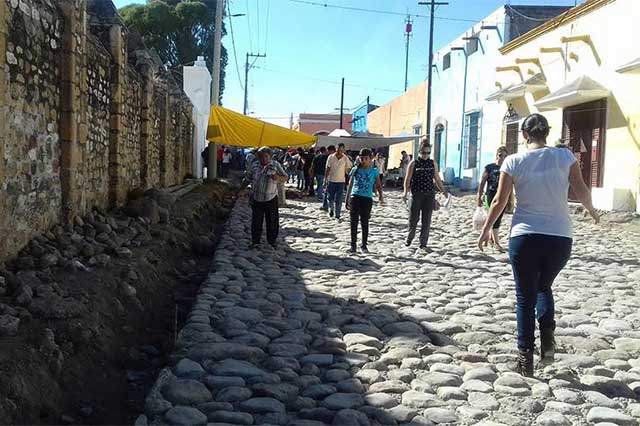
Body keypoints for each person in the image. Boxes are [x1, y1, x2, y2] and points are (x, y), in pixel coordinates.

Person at [478, 113, 599, 377]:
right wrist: (592, 211)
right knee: (543, 286)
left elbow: (500, 200)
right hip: (560, 238)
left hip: (525, 236)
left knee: (525, 296)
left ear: (524, 135)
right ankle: (548, 344)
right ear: (547, 132)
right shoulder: (565, 157)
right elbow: (580, 188)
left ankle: (525, 360)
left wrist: (486, 229)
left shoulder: (514, 161)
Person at [402, 140, 448, 252]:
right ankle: (409, 238)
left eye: (428, 153)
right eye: (423, 152)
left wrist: (443, 190)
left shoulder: (432, 163)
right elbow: (407, 179)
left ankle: (423, 243)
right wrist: (405, 192)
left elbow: (436, 178)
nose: (425, 155)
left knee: (426, 220)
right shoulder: (414, 163)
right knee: (413, 219)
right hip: (416, 194)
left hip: (429, 195)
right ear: (419, 151)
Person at [345, 148, 384, 253]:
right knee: (353, 222)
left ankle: (364, 245)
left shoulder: (374, 171)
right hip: (355, 197)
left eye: (365, 158)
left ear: (370, 158)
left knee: (364, 222)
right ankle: (353, 245)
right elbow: (350, 184)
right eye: (361, 158)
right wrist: (347, 198)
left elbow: (378, 185)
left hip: (367, 199)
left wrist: (381, 196)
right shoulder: (355, 169)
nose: (363, 160)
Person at [249, 147, 288, 249]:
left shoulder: (275, 165)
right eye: (261, 157)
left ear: (270, 157)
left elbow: (285, 177)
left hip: (270, 198)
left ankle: (272, 241)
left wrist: (278, 177)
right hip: (257, 198)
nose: (263, 159)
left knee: (272, 221)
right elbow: (248, 178)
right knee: (256, 221)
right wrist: (241, 190)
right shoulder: (254, 165)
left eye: (266, 156)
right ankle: (255, 241)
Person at [477, 146, 509, 251]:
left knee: (498, 217)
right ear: (496, 155)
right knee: (495, 217)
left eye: (505, 156)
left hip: (503, 195)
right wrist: (479, 196)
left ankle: (491, 239)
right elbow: (482, 183)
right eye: (500, 155)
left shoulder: (507, 168)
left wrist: (511, 199)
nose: (502, 158)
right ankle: (496, 242)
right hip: (490, 195)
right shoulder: (490, 167)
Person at [324, 143, 353, 220]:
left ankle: (337, 214)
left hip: (341, 181)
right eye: (338, 149)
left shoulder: (345, 158)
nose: (339, 151)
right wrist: (325, 179)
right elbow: (327, 168)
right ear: (336, 149)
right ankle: (331, 209)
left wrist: (350, 176)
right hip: (331, 180)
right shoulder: (331, 157)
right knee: (330, 198)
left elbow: (348, 169)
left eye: (341, 150)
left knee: (339, 199)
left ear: (343, 150)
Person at [320, 145, 337, 210]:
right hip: (333, 178)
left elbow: (327, 168)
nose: (327, 152)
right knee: (328, 192)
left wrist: (325, 178)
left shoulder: (330, 157)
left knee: (327, 192)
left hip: (331, 178)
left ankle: (327, 206)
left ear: (331, 150)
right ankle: (327, 205)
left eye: (328, 150)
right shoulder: (331, 157)